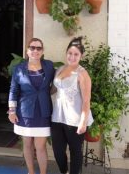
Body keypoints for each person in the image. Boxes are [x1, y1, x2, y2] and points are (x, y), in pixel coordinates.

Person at [8, 38, 55, 174]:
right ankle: (31, 172)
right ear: (27, 51)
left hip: (43, 112)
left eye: (38, 48)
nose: (35, 50)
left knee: (40, 146)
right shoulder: (19, 68)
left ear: (42, 51)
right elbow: (13, 90)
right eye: (32, 48)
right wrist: (12, 111)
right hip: (25, 112)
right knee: (27, 144)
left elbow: (58, 81)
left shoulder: (49, 66)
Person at [51, 36, 94, 174]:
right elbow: (54, 89)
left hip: (75, 120)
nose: (72, 56)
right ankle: (64, 172)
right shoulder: (60, 69)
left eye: (76, 54)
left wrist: (83, 122)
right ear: (66, 53)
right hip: (57, 117)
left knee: (75, 152)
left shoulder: (82, 74)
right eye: (70, 53)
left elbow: (87, 100)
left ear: (81, 56)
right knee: (57, 151)